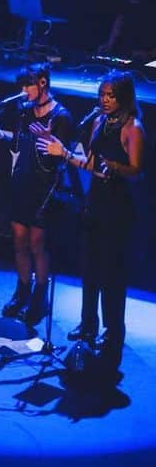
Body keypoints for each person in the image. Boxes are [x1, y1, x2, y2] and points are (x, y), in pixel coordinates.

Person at [37, 70, 146, 371]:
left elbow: (137, 171)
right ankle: (88, 326)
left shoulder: (133, 128)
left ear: (123, 96)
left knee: (112, 276)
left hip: (118, 211)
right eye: (102, 95)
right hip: (95, 205)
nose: (105, 100)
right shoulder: (98, 121)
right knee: (90, 270)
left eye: (111, 96)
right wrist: (66, 152)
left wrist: (108, 167)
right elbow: (90, 161)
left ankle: (113, 333)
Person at [0, 63, 75, 326]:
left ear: (43, 83)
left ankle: (40, 297)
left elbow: (56, 162)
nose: (24, 91)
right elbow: (18, 144)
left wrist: (47, 140)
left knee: (37, 244)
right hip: (21, 181)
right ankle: (22, 290)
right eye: (22, 86)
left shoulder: (61, 117)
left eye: (28, 85)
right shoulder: (23, 111)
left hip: (44, 186)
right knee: (19, 240)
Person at [98, 0, 156, 64]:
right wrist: (109, 45)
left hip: (145, 59)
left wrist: (150, 54)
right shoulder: (125, 8)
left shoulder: (150, 12)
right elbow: (117, 27)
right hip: (126, 55)